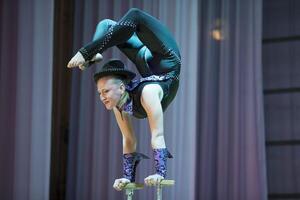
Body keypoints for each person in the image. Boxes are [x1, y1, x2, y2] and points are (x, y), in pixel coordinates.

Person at [67, 8, 181, 191]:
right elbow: (128, 139)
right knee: (106, 25)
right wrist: (128, 178)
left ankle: (88, 52)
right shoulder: (120, 103)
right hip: (147, 62)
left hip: (166, 62)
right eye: (99, 93)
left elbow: (157, 135)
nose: (102, 97)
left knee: (134, 15)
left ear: (121, 87)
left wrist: (160, 173)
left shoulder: (148, 93)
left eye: (105, 91)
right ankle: (95, 53)